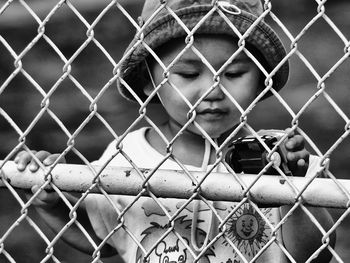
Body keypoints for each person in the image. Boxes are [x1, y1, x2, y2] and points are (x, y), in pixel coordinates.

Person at [15, 0, 336, 262]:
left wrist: (292, 190)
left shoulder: (282, 154)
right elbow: (102, 236)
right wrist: (54, 202)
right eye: (188, 72)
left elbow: (316, 251)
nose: (212, 89)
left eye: (234, 72)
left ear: (262, 78)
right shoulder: (128, 155)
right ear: (148, 81)